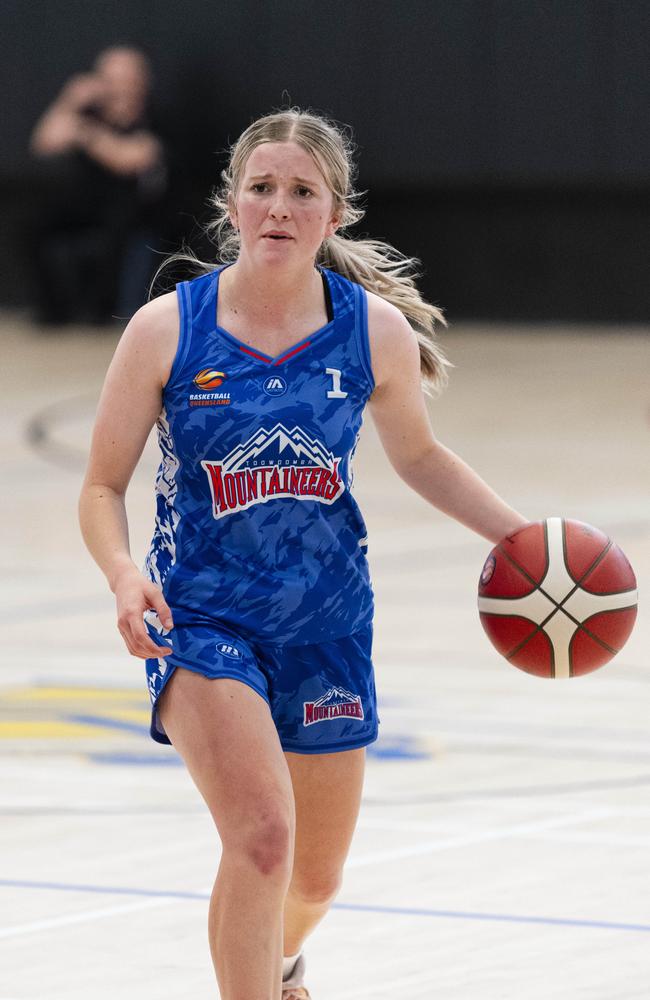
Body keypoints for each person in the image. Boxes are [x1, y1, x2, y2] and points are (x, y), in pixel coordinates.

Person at [78, 108, 527, 1000]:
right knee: (262, 839)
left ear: (335, 214)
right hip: (202, 620)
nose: (279, 207)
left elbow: (421, 458)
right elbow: (100, 486)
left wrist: (526, 543)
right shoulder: (166, 330)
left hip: (326, 624)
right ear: (232, 205)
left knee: (311, 880)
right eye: (261, 189)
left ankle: (277, 963)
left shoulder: (372, 333)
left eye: (301, 192)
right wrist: (125, 575)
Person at [29, 45, 167, 325]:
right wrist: (68, 101)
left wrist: (85, 134)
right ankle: (54, 311)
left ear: (142, 81)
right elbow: (44, 143)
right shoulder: (88, 112)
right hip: (89, 203)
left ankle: (103, 311)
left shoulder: (156, 117)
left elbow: (129, 159)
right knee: (34, 225)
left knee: (119, 227)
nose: (119, 88)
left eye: (126, 80)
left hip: (138, 209)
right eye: (111, 80)